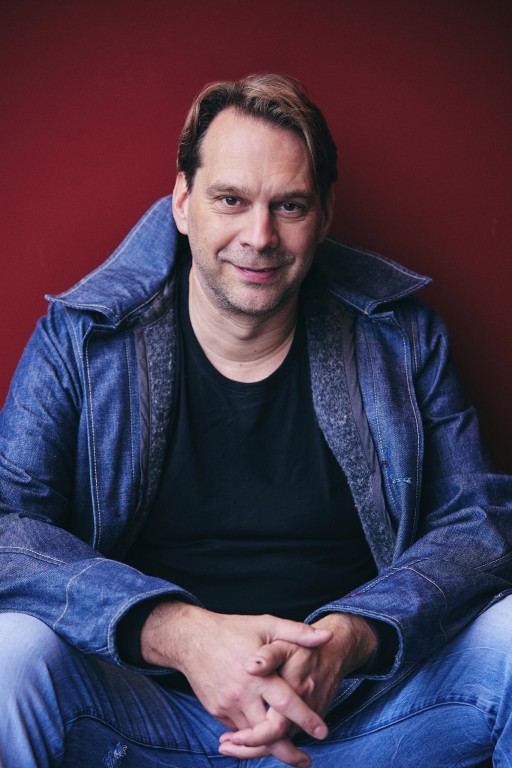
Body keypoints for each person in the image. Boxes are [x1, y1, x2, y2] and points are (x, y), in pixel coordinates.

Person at [0, 73, 511, 768]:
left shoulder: (401, 335)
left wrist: (351, 638)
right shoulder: (81, 337)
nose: (260, 236)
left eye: (289, 206)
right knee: (11, 653)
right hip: (149, 719)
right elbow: (9, 527)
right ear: (183, 203)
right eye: (231, 200)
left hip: (357, 718)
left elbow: (480, 524)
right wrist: (179, 634)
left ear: (324, 215)